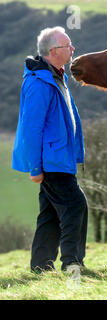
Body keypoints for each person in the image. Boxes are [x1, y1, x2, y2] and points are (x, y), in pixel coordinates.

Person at [11, 26, 87, 275]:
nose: (73, 49)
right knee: (75, 205)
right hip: (50, 161)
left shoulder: (55, 75)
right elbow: (31, 128)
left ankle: (40, 267)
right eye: (69, 46)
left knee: (51, 214)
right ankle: (72, 263)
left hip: (59, 158)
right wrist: (35, 167)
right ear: (54, 51)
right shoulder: (39, 83)